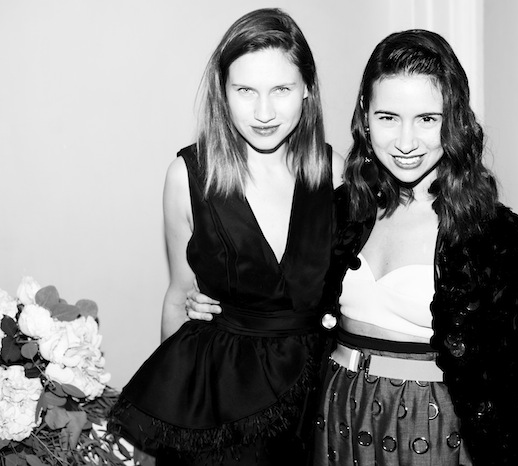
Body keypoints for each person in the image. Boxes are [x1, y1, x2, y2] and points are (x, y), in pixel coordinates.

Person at [188, 29, 518, 466]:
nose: (406, 142)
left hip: (432, 426)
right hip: (336, 415)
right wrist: (214, 303)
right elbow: (287, 295)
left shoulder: (490, 234)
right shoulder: (345, 209)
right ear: (365, 115)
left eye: (427, 119)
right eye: (388, 117)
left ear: (454, 120)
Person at [108, 8, 343, 466]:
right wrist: (173, 417)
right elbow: (180, 295)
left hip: (316, 398)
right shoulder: (187, 176)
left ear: (307, 89)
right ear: (223, 92)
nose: (263, 113)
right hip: (221, 402)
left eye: (281, 89)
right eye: (245, 90)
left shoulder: (333, 173)